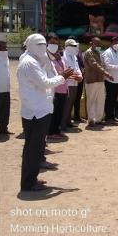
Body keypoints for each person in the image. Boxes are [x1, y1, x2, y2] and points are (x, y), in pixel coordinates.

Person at [17, 33, 73, 191]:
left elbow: (48, 76)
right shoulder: (29, 62)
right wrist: (62, 77)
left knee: (34, 147)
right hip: (35, 111)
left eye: (44, 44)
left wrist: (61, 75)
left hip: (39, 109)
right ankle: (28, 183)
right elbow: (45, 83)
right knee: (32, 149)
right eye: (40, 45)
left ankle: (31, 179)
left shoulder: (35, 59)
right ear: (33, 45)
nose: (43, 48)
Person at [83, 37, 113, 127]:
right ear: (91, 43)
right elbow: (94, 65)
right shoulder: (89, 53)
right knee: (91, 101)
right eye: (96, 43)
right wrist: (106, 73)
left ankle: (98, 119)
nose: (98, 45)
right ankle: (91, 120)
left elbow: (100, 65)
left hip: (100, 79)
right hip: (92, 80)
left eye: (99, 44)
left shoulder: (97, 52)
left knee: (100, 100)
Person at [47, 43, 69, 140]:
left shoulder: (61, 59)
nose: (59, 52)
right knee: (54, 112)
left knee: (59, 112)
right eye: (57, 50)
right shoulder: (50, 61)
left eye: (59, 50)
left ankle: (57, 130)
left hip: (63, 89)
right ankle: (51, 132)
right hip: (55, 89)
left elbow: (65, 72)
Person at [61, 39, 83, 130]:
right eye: (73, 46)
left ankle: (68, 121)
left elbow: (77, 68)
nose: (75, 48)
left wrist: (80, 76)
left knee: (71, 104)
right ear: (68, 46)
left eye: (75, 46)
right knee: (66, 104)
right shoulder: (63, 56)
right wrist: (76, 77)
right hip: (67, 84)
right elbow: (63, 71)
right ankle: (62, 124)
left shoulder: (74, 56)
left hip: (75, 83)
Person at [0, 40, 12, 135]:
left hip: (6, 90)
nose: (6, 48)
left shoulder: (5, 58)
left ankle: (3, 129)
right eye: (4, 47)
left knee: (5, 112)